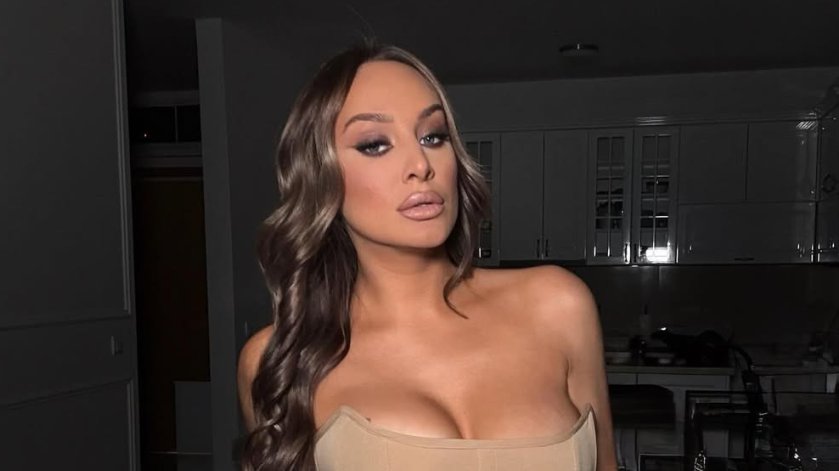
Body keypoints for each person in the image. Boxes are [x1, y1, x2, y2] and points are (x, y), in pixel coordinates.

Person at [237, 41, 617, 471]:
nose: (421, 164)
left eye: (433, 136)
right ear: (320, 174)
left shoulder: (557, 305)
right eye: (375, 144)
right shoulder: (281, 360)